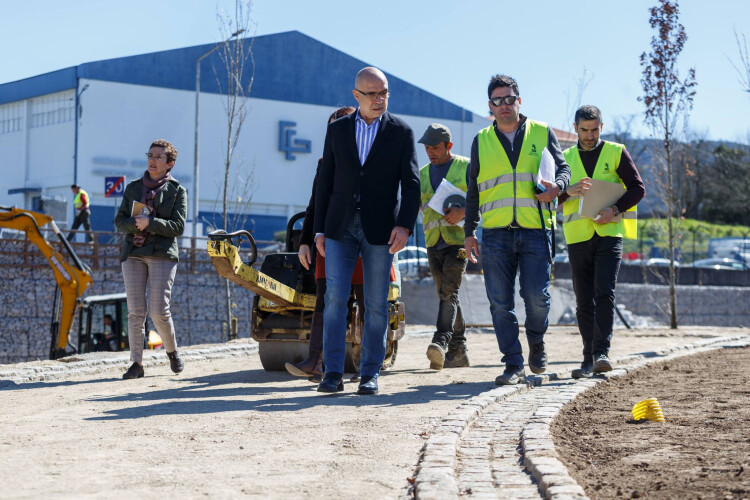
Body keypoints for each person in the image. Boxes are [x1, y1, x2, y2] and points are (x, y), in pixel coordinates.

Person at [314, 67, 420, 395]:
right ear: (356, 96)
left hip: (381, 230)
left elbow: (412, 183)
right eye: (372, 93)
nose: (379, 99)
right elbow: (325, 181)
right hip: (339, 227)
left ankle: (369, 373)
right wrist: (318, 230)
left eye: (384, 92)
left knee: (375, 303)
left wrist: (404, 226)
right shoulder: (338, 130)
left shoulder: (401, 132)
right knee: (335, 299)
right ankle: (332, 373)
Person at [464, 74, 571, 385]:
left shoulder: (541, 132)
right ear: (490, 107)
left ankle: (536, 341)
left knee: (537, 296)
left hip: (536, 229)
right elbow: (473, 190)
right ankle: (513, 363)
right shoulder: (481, 140)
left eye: (509, 99)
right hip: (495, 233)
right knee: (499, 302)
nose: (504, 105)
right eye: (497, 101)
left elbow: (563, 169)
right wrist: (469, 232)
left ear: (519, 101)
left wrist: (558, 187)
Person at [559, 105, 645, 378]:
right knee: (584, 300)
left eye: (594, 129)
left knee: (604, 293)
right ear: (575, 128)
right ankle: (587, 358)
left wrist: (615, 210)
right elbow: (552, 196)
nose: (589, 135)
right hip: (578, 237)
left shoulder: (616, 152)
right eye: (584, 130)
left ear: (601, 126)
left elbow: (637, 188)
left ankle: (601, 353)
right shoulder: (565, 157)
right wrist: (568, 191)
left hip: (609, 235)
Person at [286, 106, 361, 380]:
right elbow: (314, 205)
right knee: (325, 301)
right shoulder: (323, 163)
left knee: (365, 302)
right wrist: (305, 241)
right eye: (332, 127)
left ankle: (364, 365)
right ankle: (316, 361)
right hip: (327, 243)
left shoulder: (369, 159)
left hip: (365, 241)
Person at [114, 139, 186, 379]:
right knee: (135, 311)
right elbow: (119, 220)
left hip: (162, 254)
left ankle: (172, 351)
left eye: (159, 157)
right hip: (133, 254)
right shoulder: (134, 188)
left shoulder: (177, 191)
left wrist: (151, 223)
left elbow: (178, 226)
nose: (152, 160)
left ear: (170, 164)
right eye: (150, 155)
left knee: (159, 311)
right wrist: (135, 225)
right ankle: (136, 363)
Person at [417, 123, 471, 370]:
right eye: (427, 148)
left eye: (435, 147)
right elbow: (417, 206)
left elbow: (485, 199)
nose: (430, 152)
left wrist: (464, 212)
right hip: (433, 242)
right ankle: (458, 352)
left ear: (448, 146)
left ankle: (440, 340)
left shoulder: (466, 167)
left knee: (449, 291)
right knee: (447, 295)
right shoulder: (423, 173)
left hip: (458, 242)